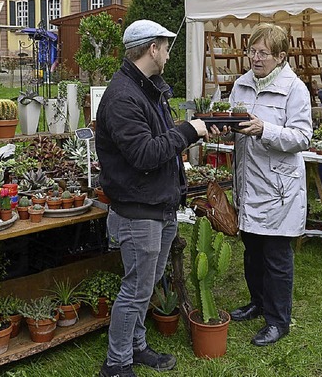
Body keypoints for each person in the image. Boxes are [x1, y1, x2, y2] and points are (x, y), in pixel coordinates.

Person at [95, 19, 209, 377]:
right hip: (137, 211)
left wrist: (189, 133)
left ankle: (136, 347)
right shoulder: (122, 97)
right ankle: (116, 363)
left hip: (159, 205)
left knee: (145, 287)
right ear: (152, 49)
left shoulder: (148, 89)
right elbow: (144, 154)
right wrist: (189, 131)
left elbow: (163, 141)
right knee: (135, 290)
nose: (168, 53)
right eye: (166, 46)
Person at [226, 23, 312, 347]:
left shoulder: (295, 89)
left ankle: (279, 321)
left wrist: (266, 129)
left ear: (280, 56)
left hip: (278, 187)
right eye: (252, 51)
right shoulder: (241, 84)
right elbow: (234, 121)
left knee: (276, 254)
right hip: (248, 181)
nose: (255, 58)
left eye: (263, 53)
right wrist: (223, 127)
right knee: (253, 251)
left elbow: (302, 137)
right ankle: (258, 304)